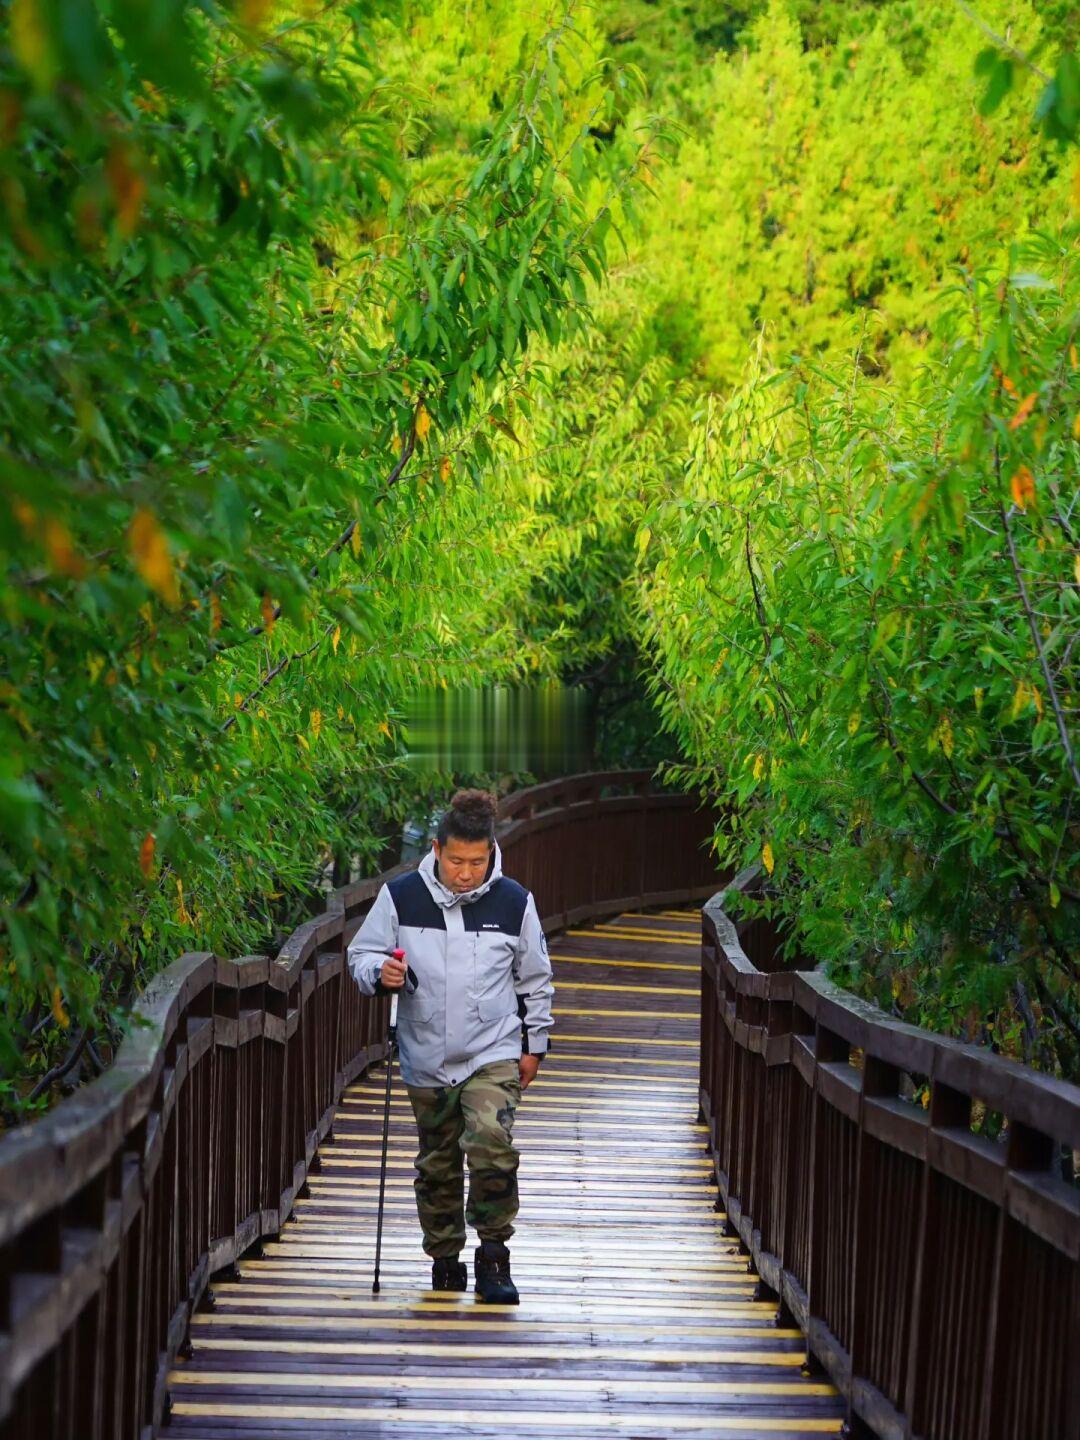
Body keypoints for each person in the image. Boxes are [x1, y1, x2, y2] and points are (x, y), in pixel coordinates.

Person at [346, 788, 554, 1303]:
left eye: (477, 862)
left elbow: (535, 979)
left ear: (491, 852)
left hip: (493, 1050)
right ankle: (444, 1259)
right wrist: (381, 971)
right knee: (437, 1162)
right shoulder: (400, 896)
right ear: (437, 849)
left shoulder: (514, 902)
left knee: (491, 1143)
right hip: (426, 1054)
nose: (466, 873)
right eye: (457, 861)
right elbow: (361, 955)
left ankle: (494, 1256)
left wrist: (534, 1046)